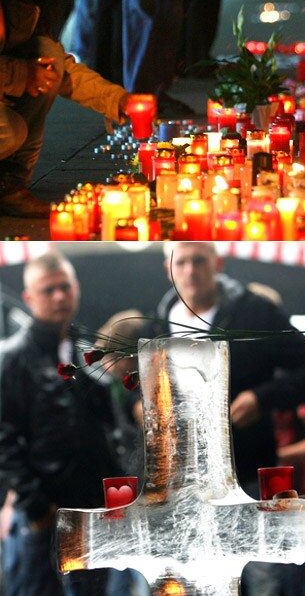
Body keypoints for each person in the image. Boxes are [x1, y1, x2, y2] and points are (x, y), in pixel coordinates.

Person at [147, 242, 305, 596]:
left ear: (217, 263)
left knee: (264, 578)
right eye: (181, 262)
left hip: (247, 473)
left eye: (199, 261)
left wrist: (262, 398)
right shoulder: (161, 319)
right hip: (185, 484)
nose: (190, 270)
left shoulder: (254, 312)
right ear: (167, 268)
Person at [0, 252, 130, 596]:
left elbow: (107, 432)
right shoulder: (12, 359)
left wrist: (115, 496)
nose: (58, 296)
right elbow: (3, 442)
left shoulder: (84, 354)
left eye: (64, 287)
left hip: (89, 512)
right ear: (29, 298)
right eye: (48, 290)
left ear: (76, 288)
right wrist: (36, 507)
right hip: (44, 517)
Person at [0, 0, 134, 216]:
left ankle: (9, 182)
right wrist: (21, 75)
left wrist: (117, 100)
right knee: (11, 130)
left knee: (47, 55)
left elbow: (61, 65)